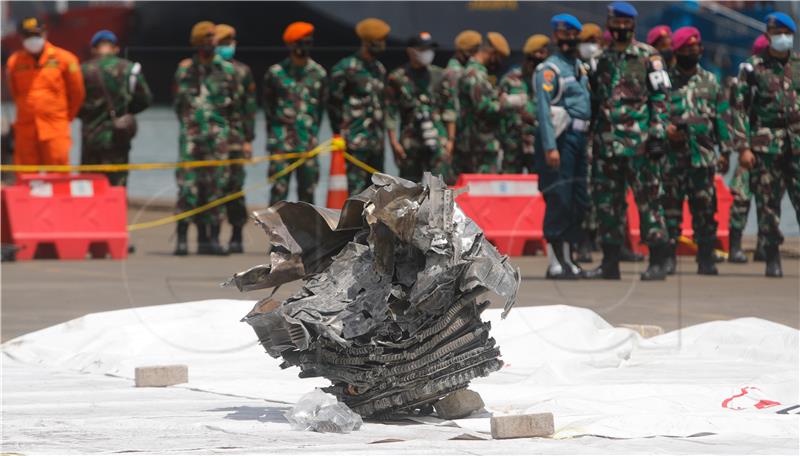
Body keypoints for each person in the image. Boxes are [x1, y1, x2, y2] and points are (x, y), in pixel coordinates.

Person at [584, 2, 672, 281]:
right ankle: (610, 263)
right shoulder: (599, 59)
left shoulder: (649, 57)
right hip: (607, 144)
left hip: (641, 144)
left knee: (649, 201)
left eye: (625, 25)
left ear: (633, 26)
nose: (620, 29)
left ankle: (658, 260)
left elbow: (661, 96)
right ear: (609, 25)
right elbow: (594, 101)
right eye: (616, 24)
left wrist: (658, 134)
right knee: (607, 204)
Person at [732, 12, 800, 278]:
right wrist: (743, 147)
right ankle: (772, 256)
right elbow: (739, 108)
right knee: (768, 204)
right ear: (768, 35)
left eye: (786, 33)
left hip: (797, 145)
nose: (781, 38)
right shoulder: (752, 68)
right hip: (765, 145)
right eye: (776, 33)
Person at [661, 27, 732, 276]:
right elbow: (655, 112)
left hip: (702, 156)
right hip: (672, 157)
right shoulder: (665, 81)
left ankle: (706, 258)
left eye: (696, 48)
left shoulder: (710, 81)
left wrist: (726, 151)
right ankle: (668, 257)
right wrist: (666, 130)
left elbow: (722, 118)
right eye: (686, 49)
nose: (692, 52)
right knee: (670, 209)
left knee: (705, 209)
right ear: (677, 52)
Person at [173, 21, 243, 256]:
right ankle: (182, 237)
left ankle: (212, 238)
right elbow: (178, 105)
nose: (209, 44)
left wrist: (234, 137)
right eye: (204, 41)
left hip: (218, 138)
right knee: (187, 187)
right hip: (192, 137)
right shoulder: (185, 70)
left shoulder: (227, 71)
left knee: (216, 188)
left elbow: (237, 107)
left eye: (212, 40)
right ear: (196, 44)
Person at [534, 14, 592, 279]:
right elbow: (544, 111)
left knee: (577, 200)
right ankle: (555, 262)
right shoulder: (549, 69)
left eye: (572, 35)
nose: (568, 40)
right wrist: (550, 147)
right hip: (560, 139)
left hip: (580, 139)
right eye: (563, 35)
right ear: (556, 37)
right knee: (559, 199)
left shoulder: (579, 67)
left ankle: (569, 259)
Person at [264, 22, 327, 206]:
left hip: (307, 144)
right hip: (281, 144)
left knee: (307, 193)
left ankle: (306, 234)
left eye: (309, 43)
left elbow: (320, 110)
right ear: (291, 45)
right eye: (301, 43)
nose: (305, 47)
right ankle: (272, 233)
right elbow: (268, 107)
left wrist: (312, 133)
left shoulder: (319, 73)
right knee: (278, 191)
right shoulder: (275, 73)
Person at [6, 17, 84, 166]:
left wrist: (63, 117)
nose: (32, 39)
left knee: (58, 174)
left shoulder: (66, 59)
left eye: (36, 35)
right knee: (25, 176)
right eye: (28, 36)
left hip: (55, 128)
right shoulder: (13, 63)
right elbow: (15, 93)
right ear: (21, 37)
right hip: (26, 129)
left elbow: (77, 93)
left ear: (44, 34)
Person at [79, 30, 152, 188]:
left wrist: (89, 115)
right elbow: (145, 99)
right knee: (116, 186)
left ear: (93, 49)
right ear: (115, 48)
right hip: (117, 137)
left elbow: (74, 104)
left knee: (89, 185)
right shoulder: (128, 69)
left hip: (91, 138)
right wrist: (126, 111)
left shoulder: (82, 70)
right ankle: (116, 212)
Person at [328, 18, 390, 194]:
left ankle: (374, 223)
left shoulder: (379, 69)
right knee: (356, 192)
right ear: (367, 42)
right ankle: (355, 222)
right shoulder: (346, 68)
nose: (383, 45)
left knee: (378, 192)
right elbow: (333, 102)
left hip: (377, 142)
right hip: (355, 140)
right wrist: (338, 132)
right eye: (379, 42)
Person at [214, 24, 257, 253]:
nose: (228, 47)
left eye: (230, 42)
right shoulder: (208, 71)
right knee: (214, 189)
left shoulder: (243, 72)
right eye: (223, 43)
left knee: (235, 188)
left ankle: (237, 234)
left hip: (236, 139)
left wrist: (248, 140)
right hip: (214, 140)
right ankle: (212, 237)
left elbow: (249, 108)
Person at [727, 33, 770, 264]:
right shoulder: (744, 80)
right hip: (749, 147)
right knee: (742, 198)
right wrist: (743, 147)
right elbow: (737, 113)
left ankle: (765, 244)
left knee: (768, 199)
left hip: (773, 149)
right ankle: (735, 246)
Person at [385, 32, 450, 182]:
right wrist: (394, 143)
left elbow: (449, 108)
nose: (428, 53)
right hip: (410, 142)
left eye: (430, 49)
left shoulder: (439, 75)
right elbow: (391, 112)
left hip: (437, 140)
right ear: (410, 51)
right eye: (423, 49)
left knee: (439, 187)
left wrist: (450, 140)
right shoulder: (397, 77)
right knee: (408, 188)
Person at [456, 32, 517, 174]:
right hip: (479, 146)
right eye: (499, 57)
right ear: (492, 53)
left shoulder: (479, 73)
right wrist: (508, 103)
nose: (499, 62)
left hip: (481, 144)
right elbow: (483, 107)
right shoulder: (475, 74)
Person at [498, 34, 549, 174]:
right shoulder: (511, 79)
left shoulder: (548, 79)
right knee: (509, 183)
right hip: (513, 142)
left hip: (537, 143)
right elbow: (498, 106)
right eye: (537, 52)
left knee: (540, 185)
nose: (540, 57)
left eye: (544, 53)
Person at [576, 22, 603, 263]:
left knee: (603, 189)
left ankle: (599, 237)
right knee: (584, 189)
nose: (592, 44)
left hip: (603, 136)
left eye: (596, 39)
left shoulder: (603, 65)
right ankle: (582, 240)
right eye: (588, 40)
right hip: (582, 135)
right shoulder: (576, 68)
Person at [442, 30, 482, 181]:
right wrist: (450, 139)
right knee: (454, 180)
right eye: (472, 51)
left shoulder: (465, 69)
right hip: (457, 135)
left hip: (467, 134)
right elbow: (450, 105)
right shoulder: (453, 72)